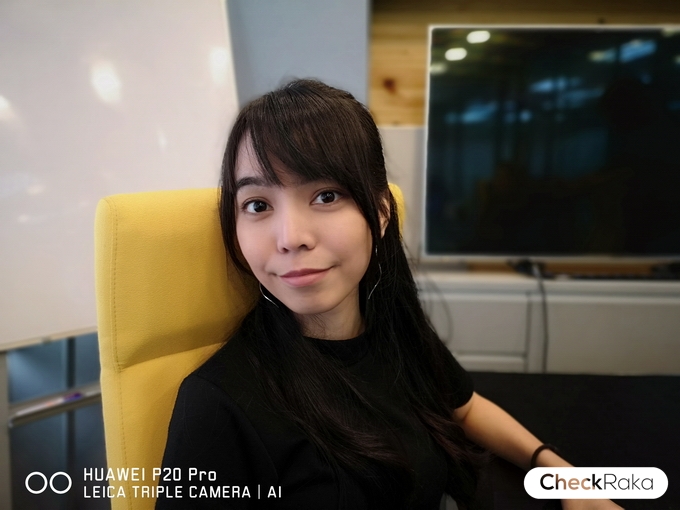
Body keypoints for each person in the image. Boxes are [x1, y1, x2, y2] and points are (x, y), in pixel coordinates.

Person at [155, 80, 622, 510]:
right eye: (257, 204)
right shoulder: (217, 405)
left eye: (326, 196)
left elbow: (463, 405)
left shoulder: (391, 325)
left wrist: (562, 475)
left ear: (380, 214)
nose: (291, 237)